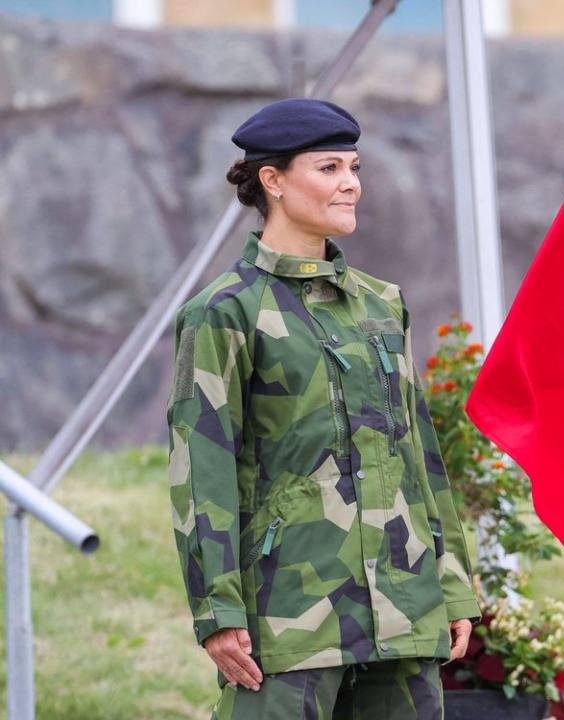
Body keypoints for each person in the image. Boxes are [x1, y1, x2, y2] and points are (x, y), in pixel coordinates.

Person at [166, 98, 481, 719]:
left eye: (354, 167)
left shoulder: (381, 306)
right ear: (273, 180)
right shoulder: (225, 312)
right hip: (290, 617)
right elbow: (202, 472)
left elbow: (419, 453)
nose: (351, 184)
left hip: (403, 605)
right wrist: (218, 610)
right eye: (329, 167)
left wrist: (451, 583)